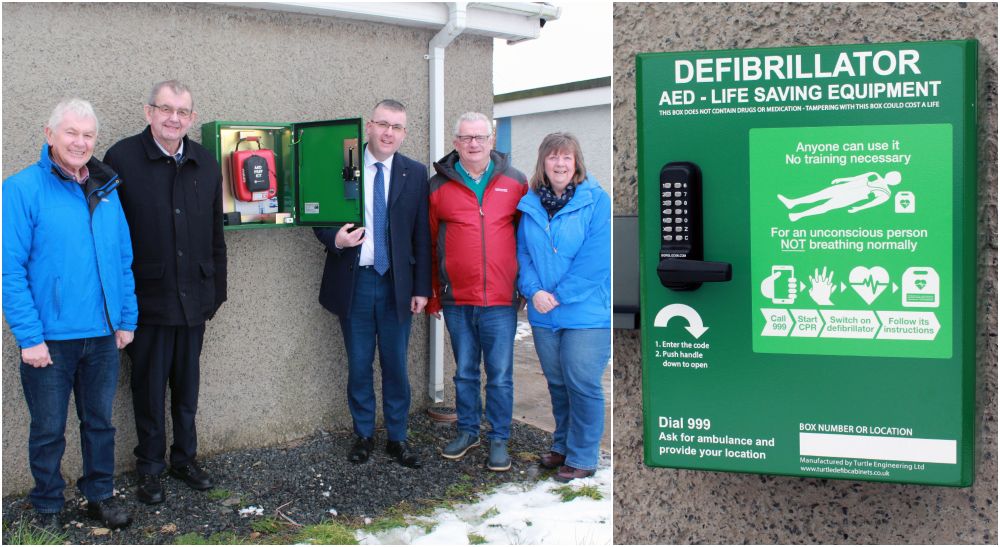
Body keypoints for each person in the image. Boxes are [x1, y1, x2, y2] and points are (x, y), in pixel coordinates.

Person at [2, 98, 137, 529]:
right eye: (71, 133)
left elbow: (121, 260)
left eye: (88, 135)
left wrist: (125, 319)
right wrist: (29, 337)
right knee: (48, 429)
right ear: (49, 135)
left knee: (100, 423)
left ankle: (99, 494)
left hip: (102, 335)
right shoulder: (22, 189)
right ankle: (47, 504)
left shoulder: (107, 189)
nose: (81, 143)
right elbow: (9, 269)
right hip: (50, 340)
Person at [103, 80, 227, 504]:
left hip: (195, 299)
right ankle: (150, 467)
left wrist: (217, 292)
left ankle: (184, 458)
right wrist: (119, 303)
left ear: (192, 118)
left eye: (183, 111)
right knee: (149, 389)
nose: (174, 118)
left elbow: (216, 234)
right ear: (148, 111)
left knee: (187, 389)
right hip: (146, 300)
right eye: (166, 109)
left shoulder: (206, 164)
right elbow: (110, 236)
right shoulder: (121, 158)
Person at [314, 99, 430, 468]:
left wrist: (421, 288)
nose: (389, 133)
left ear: (404, 133)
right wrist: (336, 238)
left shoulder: (415, 172)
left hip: (397, 285)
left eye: (397, 127)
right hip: (356, 283)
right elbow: (318, 212)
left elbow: (421, 237)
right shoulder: (343, 166)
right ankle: (363, 434)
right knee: (360, 363)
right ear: (369, 127)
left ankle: (398, 437)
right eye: (383, 124)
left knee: (396, 364)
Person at [427, 112, 528, 471]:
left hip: (500, 299)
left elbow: (526, 239)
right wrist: (435, 292)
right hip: (457, 299)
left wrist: (525, 285)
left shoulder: (515, 182)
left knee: (500, 374)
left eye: (480, 137)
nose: (473, 144)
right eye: (466, 138)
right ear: (456, 142)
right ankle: (468, 431)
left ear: (491, 140)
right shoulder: (437, 186)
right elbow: (429, 243)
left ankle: (498, 437)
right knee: (465, 371)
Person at [516, 132, 611, 482]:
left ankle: (584, 456)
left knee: (582, 381)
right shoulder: (530, 204)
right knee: (557, 383)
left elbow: (598, 259)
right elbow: (523, 253)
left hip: (586, 312)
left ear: (577, 163)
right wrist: (533, 290)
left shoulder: (597, 201)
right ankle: (563, 445)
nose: (559, 164)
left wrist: (558, 295)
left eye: (566, 158)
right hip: (544, 312)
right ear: (543, 162)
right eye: (553, 157)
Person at [777, 170, 902, 221]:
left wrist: (859, 208)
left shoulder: (886, 193)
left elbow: (873, 203)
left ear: (894, 182)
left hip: (853, 196)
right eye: (892, 174)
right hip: (846, 187)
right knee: (818, 195)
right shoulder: (874, 174)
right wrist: (842, 179)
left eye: (893, 177)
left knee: (826, 206)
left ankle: (798, 215)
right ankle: (792, 202)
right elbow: (855, 178)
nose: (890, 176)